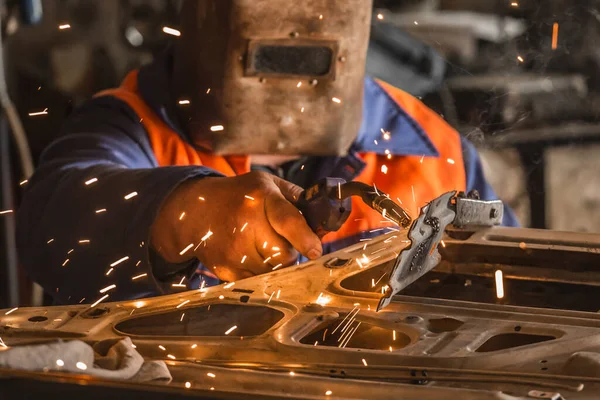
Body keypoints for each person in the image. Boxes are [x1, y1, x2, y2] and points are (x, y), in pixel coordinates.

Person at [16, 0, 517, 305]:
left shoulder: (428, 145)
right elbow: (47, 224)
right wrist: (188, 215)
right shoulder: (132, 126)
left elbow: (512, 277)